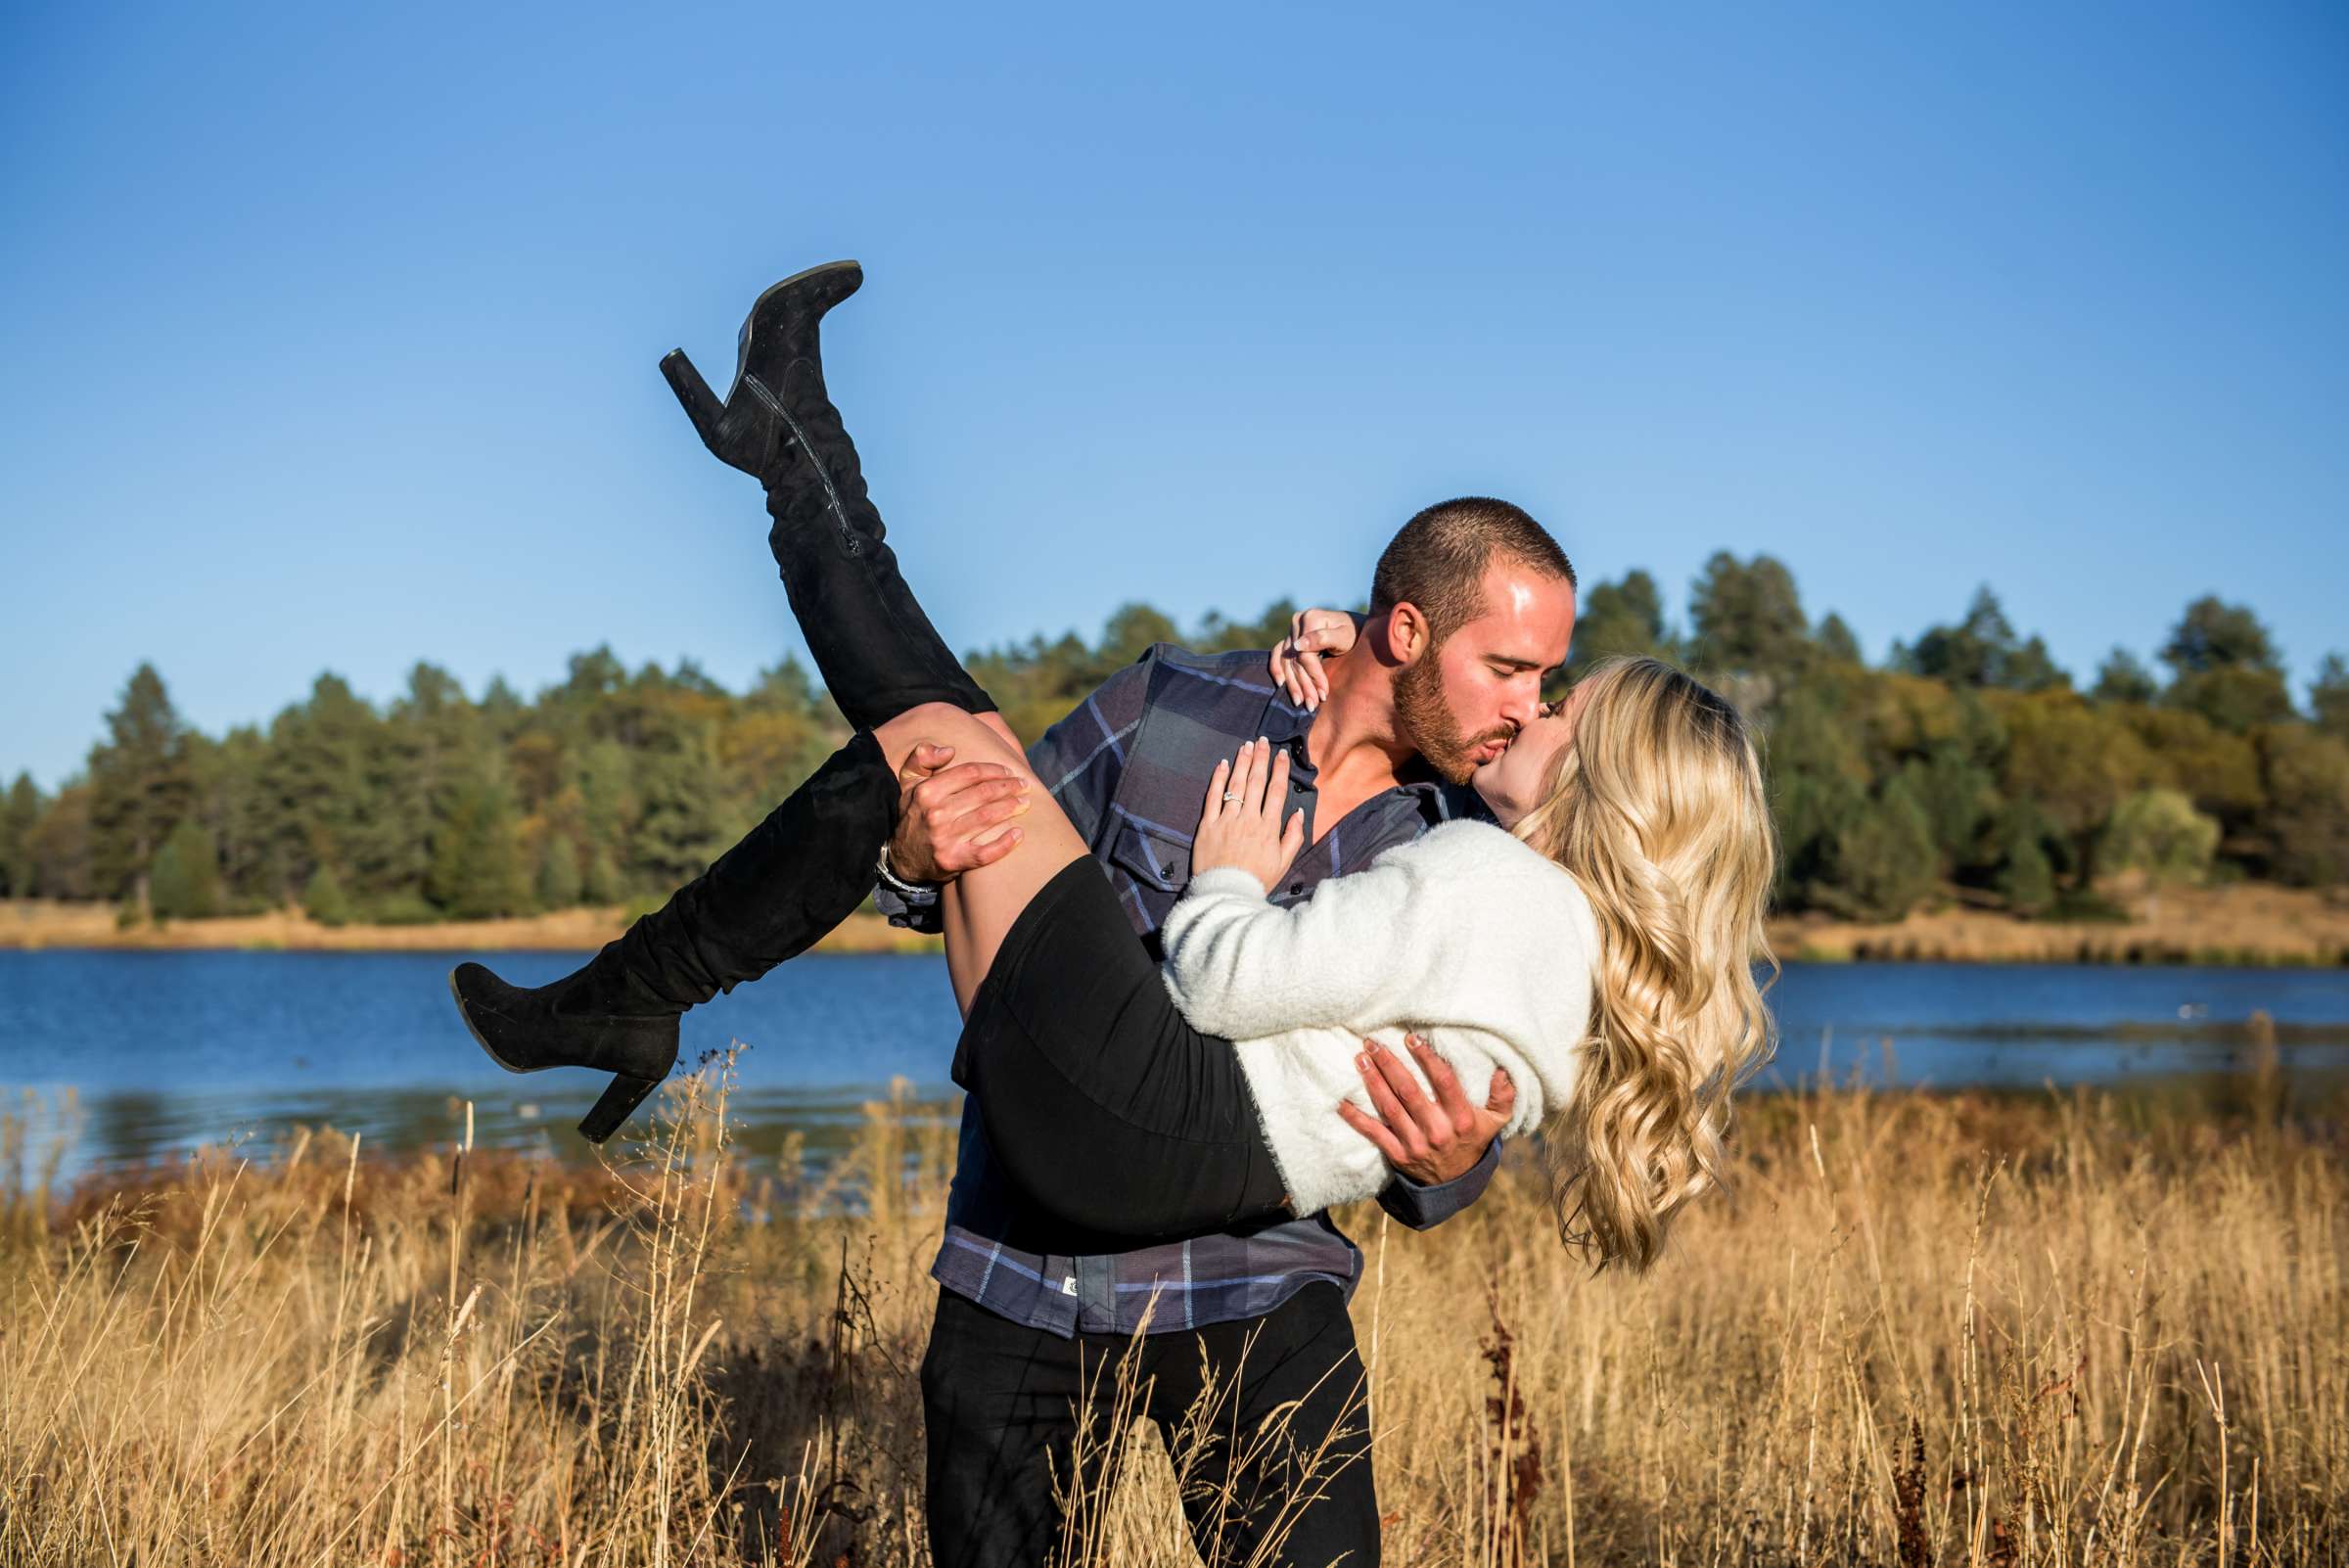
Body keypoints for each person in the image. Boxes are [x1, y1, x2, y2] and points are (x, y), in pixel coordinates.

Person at [449, 261, 1777, 1565]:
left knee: (936, 732)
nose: (1521, 708)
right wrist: (913, 860)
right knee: (933, 759)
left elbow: (1464, 1085)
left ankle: (793, 474)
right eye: (1510, 670)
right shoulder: (1179, 715)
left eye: (1547, 686)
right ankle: (793, 461)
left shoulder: (1460, 841)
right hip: (1030, 1266)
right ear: (1410, 630)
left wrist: (1452, 1161)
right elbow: (974, 900)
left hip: (1253, 1290)